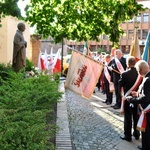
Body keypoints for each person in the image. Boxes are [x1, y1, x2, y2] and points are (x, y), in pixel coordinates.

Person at [119, 56, 143, 142]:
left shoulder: (124, 74)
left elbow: (119, 85)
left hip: (127, 98)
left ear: (128, 64)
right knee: (136, 116)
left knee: (128, 117)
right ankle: (137, 134)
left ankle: (127, 135)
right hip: (137, 98)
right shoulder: (139, 74)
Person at [128, 60, 150, 150]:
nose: (138, 73)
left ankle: (145, 147)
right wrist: (137, 93)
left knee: (146, 130)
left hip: (147, 110)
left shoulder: (147, 80)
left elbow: (146, 98)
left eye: (138, 71)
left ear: (141, 70)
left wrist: (132, 100)